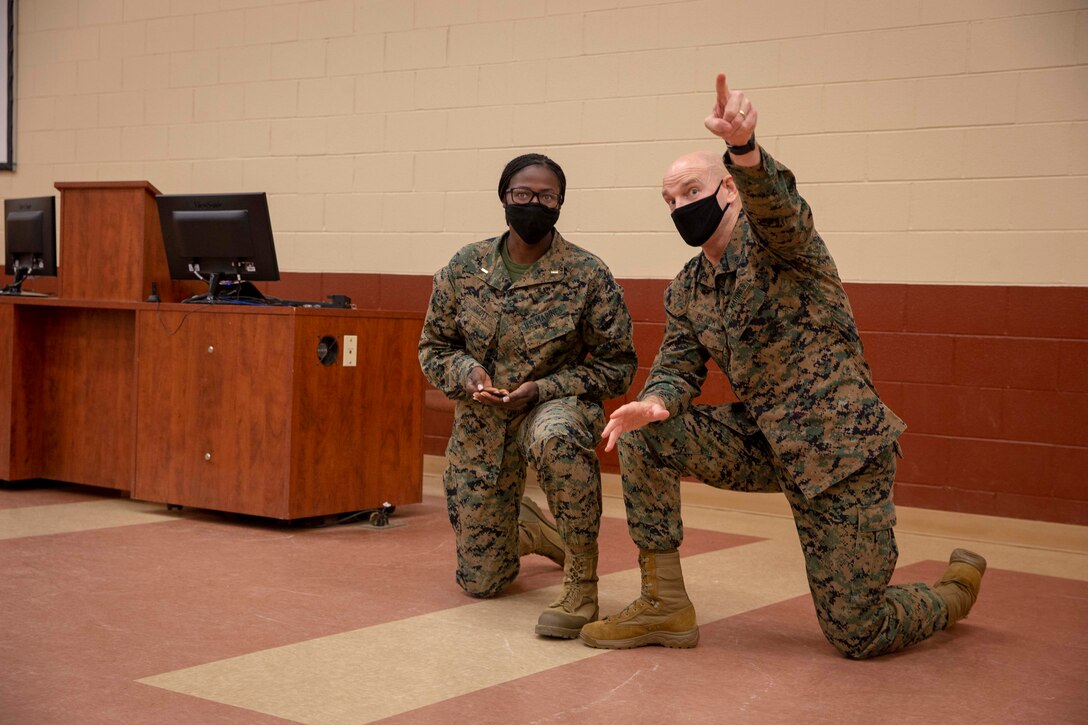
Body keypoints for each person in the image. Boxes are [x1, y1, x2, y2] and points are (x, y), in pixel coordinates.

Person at [578, 74, 986, 658]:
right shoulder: (688, 289)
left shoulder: (781, 245)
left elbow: (783, 211)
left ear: (728, 191)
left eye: (692, 190)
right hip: (764, 441)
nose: (680, 206)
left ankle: (954, 592)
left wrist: (744, 150)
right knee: (645, 433)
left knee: (858, 632)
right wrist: (659, 400)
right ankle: (664, 604)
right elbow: (677, 364)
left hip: (839, 452)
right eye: (669, 200)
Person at [419, 153, 637, 638]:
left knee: (556, 436)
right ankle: (532, 529)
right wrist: (468, 371)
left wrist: (544, 387)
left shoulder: (586, 275)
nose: (533, 204)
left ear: (560, 204)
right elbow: (434, 347)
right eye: (523, 194)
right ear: (504, 197)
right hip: (482, 421)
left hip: (553, 407)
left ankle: (582, 579)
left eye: (546, 196)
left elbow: (618, 366)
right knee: (481, 582)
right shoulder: (464, 267)